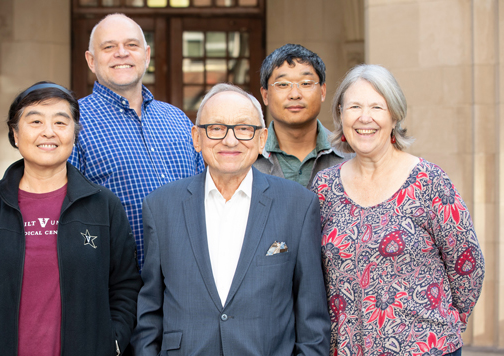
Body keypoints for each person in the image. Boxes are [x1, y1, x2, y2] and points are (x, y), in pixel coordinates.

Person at [0, 82, 142, 356]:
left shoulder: (104, 207)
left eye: (60, 122)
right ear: (15, 134)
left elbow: (125, 287)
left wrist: (111, 342)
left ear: (75, 133)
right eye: (35, 121)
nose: (48, 132)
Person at [133, 83, 330, 355]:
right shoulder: (161, 206)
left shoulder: (298, 204)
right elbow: (150, 313)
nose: (230, 140)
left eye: (244, 129)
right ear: (196, 138)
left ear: (262, 139)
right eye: (216, 128)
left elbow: (312, 320)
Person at [310, 64, 484, 356]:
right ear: (340, 114)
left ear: (394, 115)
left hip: (425, 349)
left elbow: (467, 265)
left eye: (377, 106)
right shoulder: (325, 187)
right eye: (354, 106)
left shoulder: (428, 181)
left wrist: (444, 325)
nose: (365, 118)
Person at [70, 13, 204, 268]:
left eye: (131, 45)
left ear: (147, 54)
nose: (122, 53)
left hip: (187, 284)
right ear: (91, 60)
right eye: (109, 47)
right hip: (119, 290)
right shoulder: (71, 123)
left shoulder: (178, 120)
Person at [254, 43, 350, 187]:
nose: (295, 95)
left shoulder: (350, 154)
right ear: (265, 95)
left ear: (323, 92)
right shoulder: (248, 156)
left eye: (305, 83)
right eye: (283, 84)